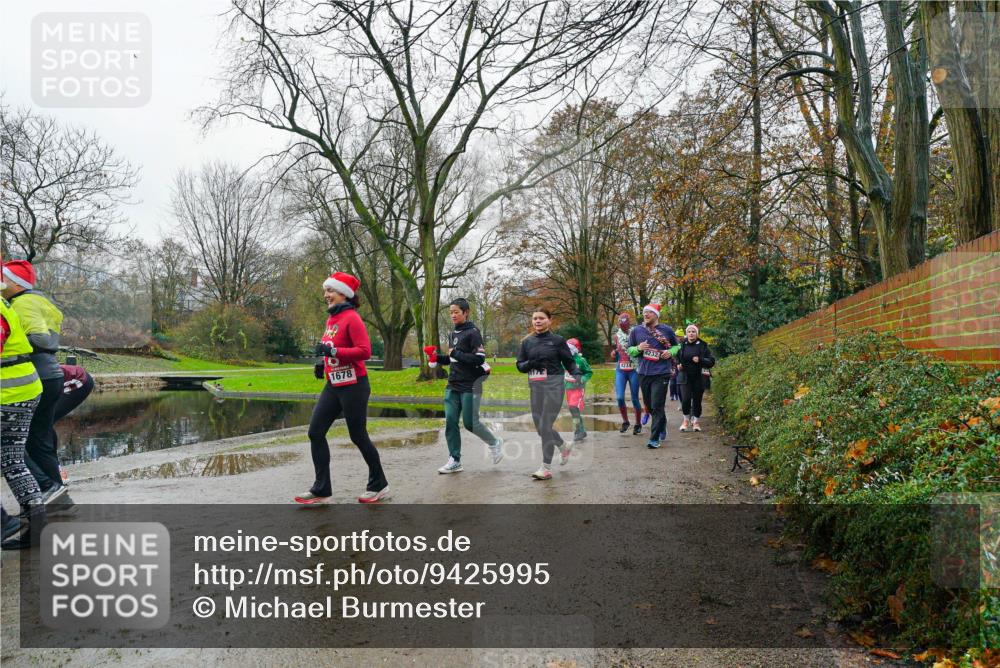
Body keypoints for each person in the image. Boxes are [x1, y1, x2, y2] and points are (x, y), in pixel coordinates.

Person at [295, 272, 389, 504]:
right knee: (315, 432)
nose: (326, 295)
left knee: (358, 435)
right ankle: (321, 488)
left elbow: (364, 351)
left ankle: (378, 484)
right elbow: (331, 348)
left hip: (354, 385)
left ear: (344, 294)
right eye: (326, 291)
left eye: (331, 291)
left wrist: (334, 353)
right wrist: (322, 364)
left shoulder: (352, 318)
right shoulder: (331, 320)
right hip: (334, 384)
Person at [1, 260, 67, 507]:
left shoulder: (23, 302)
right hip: (47, 376)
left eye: (5, 279)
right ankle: (57, 497)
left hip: (34, 376)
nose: (1, 284)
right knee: (39, 440)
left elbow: (43, 339)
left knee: (13, 449)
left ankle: (49, 487)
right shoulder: (39, 301)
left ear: (16, 283)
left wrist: (17, 346)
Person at [426, 297, 503, 474]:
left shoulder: (473, 332)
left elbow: (479, 358)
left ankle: (494, 442)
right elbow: (454, 358)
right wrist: (437, 358)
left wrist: (457, 353)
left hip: (471, 384)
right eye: (451, 312)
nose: (453, 315)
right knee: (451, 421)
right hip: (453, 384)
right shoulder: (453, 334)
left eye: (456, 312)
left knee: (470, 423)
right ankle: (455, 459)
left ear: (465, 312)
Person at [1, 285, 45, 550]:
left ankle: (3, 522)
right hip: (25, 386)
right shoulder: (3, 303)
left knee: (12, 459)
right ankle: (38, 529)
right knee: (13, 460)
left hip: (7, 392)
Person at [515, 308, 581, 480]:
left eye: (541, 318)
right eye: (535, 318)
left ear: (549, 320)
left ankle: (545, 468)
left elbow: (569, 362)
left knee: (545, 425)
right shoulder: (527, 342)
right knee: (540, 428)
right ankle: (563, 445)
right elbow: (520, 366)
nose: (537, 321)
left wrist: (577, 374)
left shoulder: (558, 341)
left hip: (554, 387)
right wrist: (531, 363)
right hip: (536, 388)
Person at [627, 303, 678, 449]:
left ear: (656, 315)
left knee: (657, 405)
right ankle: (662, 424)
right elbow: (630, 349)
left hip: (661, 373)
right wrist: (638, 348)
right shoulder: (636, 330)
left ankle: (654, 439)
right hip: (644, 373)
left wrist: (671, 352)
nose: (646, 315)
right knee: (649, 405)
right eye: (644, 312)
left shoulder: (667, 330)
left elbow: (676, 346)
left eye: (649, 312)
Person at [677, 323, 715, 432]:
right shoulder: (682, 345)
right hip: (685, 376)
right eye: (689, 331)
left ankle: (696, 422)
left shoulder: (703, 345)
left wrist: (700, 360)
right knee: (685, 399)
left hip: (699, 377)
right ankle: (685, 420)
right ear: (686, 333)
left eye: (693, 331)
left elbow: (711, 361)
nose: (691, 333)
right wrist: (678, 364)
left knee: (697, 401)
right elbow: (677, 358)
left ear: (697, 334)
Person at [610, 313, 643, 435]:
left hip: (633, 369)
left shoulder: (635, 334)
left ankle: (638, 424)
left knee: (635, 398)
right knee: (619, 397)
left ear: (629, 324)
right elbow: (618, 349)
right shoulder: (616, 336)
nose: (623, 327)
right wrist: (614, 352)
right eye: (621, 325)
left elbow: (639, 349)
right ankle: (625, 421)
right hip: (621, 370)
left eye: (625, 325)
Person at [564, 337, 593, 442]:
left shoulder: (581, 360)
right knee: (573, 411)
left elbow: (589, 372)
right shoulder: (565, 360)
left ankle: (578, 430)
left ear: (575, 349)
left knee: (573, 408)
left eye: (569, 348)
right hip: (568, 388)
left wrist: (583, 379)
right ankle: (581, 430)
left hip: (578, 388)